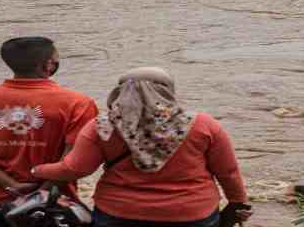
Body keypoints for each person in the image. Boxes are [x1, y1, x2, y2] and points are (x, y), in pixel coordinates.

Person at [30, 67, 251, 227]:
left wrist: (37, 170)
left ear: (120, 91)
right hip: (192, 214)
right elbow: (228, 172)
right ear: (168, 91)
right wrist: (237, 202)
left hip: (119, 213)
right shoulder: (202, 124)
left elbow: (75, 169)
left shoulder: (103, 125)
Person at [0, 37, 99, 227]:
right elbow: (74, 159)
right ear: (48, 65)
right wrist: (40, 193)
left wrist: (12, 186)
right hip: (52, 204)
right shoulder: (78, 103)